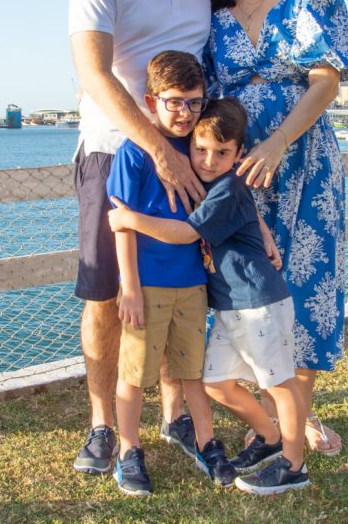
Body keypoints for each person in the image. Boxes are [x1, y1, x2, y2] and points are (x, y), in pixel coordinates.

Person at [198, 0, 348, 455]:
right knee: (249, 289)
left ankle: (298, 419)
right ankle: (276, 409)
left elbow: (326, 80)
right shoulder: (213, 20)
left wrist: (277, 141)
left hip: (304, 164)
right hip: (242, 175)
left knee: (305, 287)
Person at [67, 0, 209, 474]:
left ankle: (177, 414)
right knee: (105, 295)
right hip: (114, 153)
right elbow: (93, 73)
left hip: (189, 158)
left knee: (183, 286)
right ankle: (103, 425)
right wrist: (155, 149)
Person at [109, 98, 312, 495]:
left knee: (279, 383)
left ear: (239, 154)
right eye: (200, 150)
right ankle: (269, 438)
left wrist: (128, 219)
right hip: (230, 307)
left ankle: (294, 464)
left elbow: (186, 233)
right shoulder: (209, 182)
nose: (208, 159)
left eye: (222, 153)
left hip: (258, 303)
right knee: (216, 382)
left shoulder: (228, 189)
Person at [106, 52, 236, 495]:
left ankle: (206, 442)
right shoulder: (135, 154)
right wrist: (130, 287)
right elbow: (121, 223)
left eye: (195, 102)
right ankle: (128, 451)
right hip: (149, 286)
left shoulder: (200, 150)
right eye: (175, 102)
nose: (185, 113)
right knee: (135, 376)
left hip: (193, 286)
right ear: (150, 100)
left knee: (191, 372)